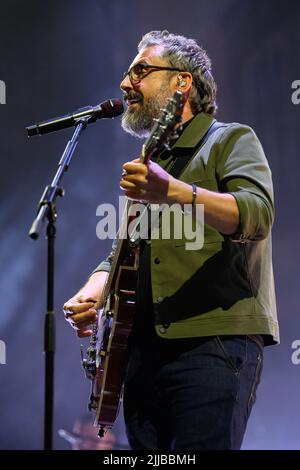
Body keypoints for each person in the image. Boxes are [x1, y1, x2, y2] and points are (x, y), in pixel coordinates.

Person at [63, 30, 279, 450]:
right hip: (142, 353)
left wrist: (173, 191)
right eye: (127, 74)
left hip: (211, 343)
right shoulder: (151, 164)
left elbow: (257, 214)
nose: (126, 84)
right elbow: (123, 254)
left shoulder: (230, 139)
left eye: (140, 71)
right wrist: (95, 289)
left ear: (182, 82)